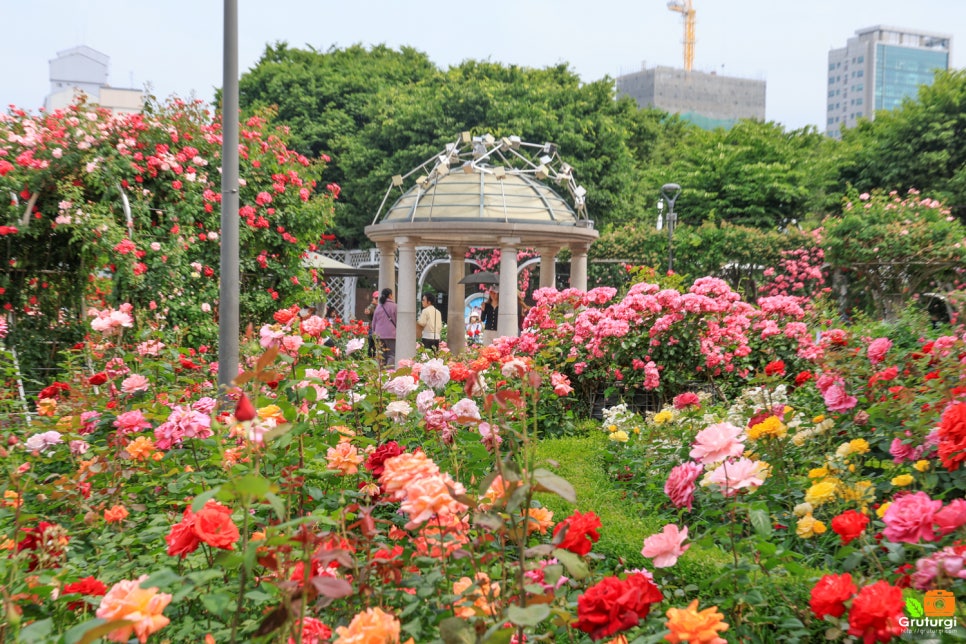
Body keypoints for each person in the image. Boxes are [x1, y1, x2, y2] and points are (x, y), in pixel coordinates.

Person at [370, 288, 397, 367]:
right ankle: (389, 372)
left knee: (381, 355)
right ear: (390, 295)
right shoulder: (395, 306)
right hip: (391, 335)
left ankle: (380, 373)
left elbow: (374, 322)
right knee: (391, 354)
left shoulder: (379, 307)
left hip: (379, 335)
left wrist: (374, 332)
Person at [363, 290, 379, 358]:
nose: (376, 299)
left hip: (380, 329)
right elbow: (369, 309)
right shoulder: (372, 306)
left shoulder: (382, 306)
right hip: (373, 328)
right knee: (371, 344)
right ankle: (371, 358)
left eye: (377, 298)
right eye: (375, 298)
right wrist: (368, 311)